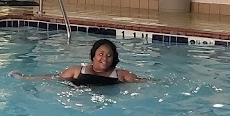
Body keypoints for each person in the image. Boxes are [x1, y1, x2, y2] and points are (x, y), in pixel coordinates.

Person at [11, 38, 147, 85]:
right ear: (93, 56)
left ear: (114, 58)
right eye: (101, 54)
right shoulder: (77, 71)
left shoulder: (120, 75)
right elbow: (53, 78)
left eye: (109, 55)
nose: (104, 59)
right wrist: (24, 78)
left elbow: (144, 82)